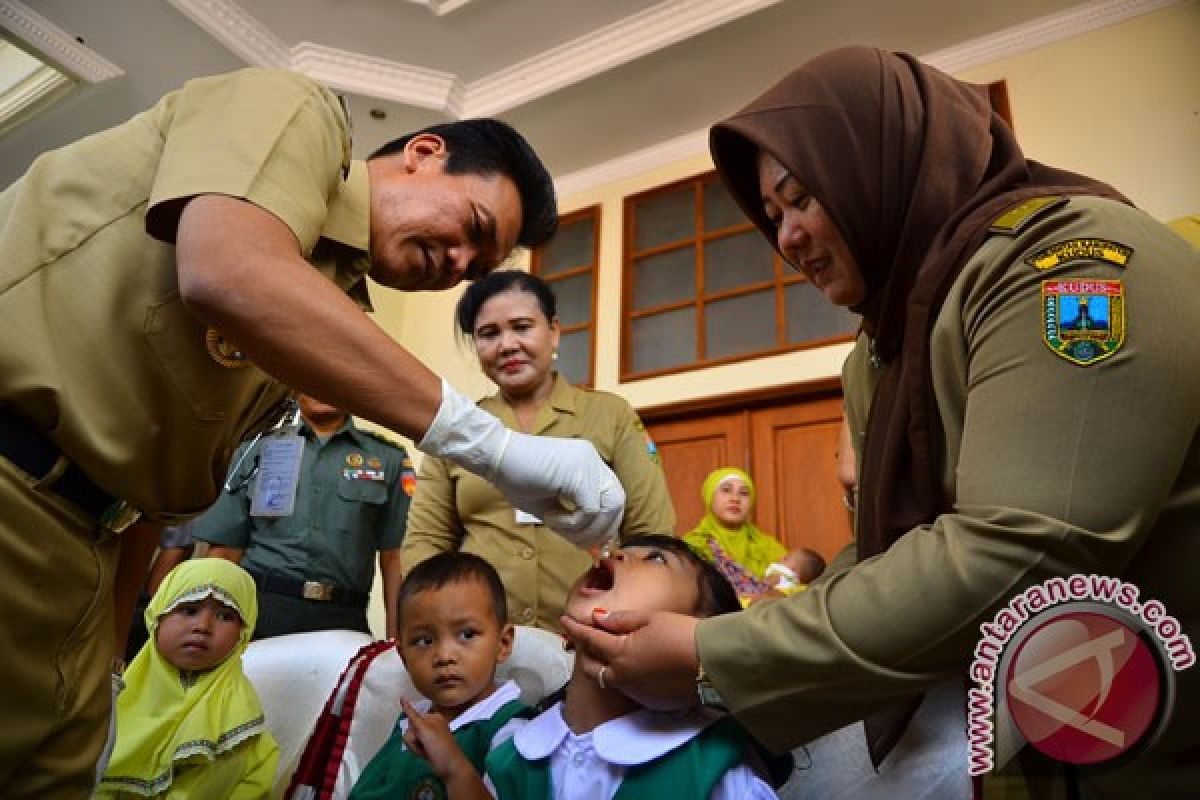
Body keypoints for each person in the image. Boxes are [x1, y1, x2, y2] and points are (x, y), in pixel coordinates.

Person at [564, 46, 1200, 798]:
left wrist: (719, 654)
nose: (786, 241)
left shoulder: (1069, 267)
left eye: (801, 199)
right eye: (772, 217)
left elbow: (1020, 549)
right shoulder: (881, 349)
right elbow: (886, 549)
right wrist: (761, 629)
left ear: (880, 162)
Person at [0, 66, 626, 798]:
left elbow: (150, 495)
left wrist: (108, 660)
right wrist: (494, 449)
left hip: (84, 559)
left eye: (477, 266)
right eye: (473, 229)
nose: (459, 266)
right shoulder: (295, 108)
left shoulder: (319, 312)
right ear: (424, 153)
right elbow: (228, 267)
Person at [402, 270, 675, 631]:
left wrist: (629, 621)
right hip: (483, 647)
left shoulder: (610, 415)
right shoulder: (458, 429)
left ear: (554, 331)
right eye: (489, 334)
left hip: (592, 634)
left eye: (522, 326)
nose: (508, 344)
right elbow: (427, 541)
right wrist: (445, 625)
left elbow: (653, 533)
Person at [194, 393, 412, 639]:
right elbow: (224, 552)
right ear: (294, 387)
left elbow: (395, 559)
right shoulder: (255, 451)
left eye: (331, 381)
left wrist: (397, 643)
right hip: (260, 610)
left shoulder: (388, 459)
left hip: (343, 618)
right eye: (312, 378)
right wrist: (210, 626)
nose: (320, 389)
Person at [350, 552, 527, 800]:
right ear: (402, 655)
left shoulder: (513, 731)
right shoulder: (410, 723)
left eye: (466, 635)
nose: (444, 656)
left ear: (503, 643)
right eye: (424, 641)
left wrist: (454, 767)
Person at [95, 558, 278, 799]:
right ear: (156, 618)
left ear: (243, 634)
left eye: (225, 616)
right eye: (188, 610)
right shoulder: (111, 698)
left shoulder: (237, 726)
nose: (203, 626)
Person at [682, 467, 806, 605]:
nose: (735, 499)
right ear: (710, 496)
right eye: (726, 490)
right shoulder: (692, 544)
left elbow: (801, 587)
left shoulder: (767, 546)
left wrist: (776, 594)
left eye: (744, 493)